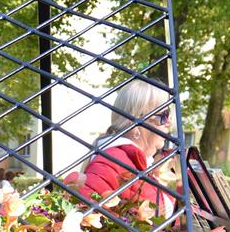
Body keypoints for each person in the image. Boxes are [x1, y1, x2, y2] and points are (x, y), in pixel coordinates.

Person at [76, 81, 177, 212]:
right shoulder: (111, 162)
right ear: (136, 121)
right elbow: (86, 212)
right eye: (164, 116)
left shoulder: (137, 162)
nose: (169, 123)